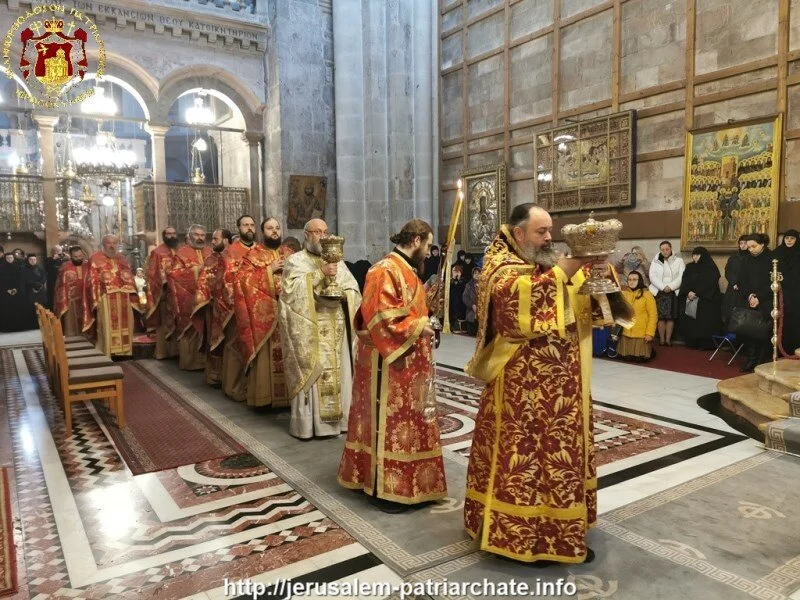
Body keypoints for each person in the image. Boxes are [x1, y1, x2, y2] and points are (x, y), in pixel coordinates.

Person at [463, 203, 632, 565]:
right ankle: (518, 535)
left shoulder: (545, 261)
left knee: (559, 457)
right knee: (525, 460)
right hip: (521, 392)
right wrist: (567, 269)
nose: (549, 237)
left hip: (563, 387)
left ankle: (559, 531)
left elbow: (585, 302)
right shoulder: (499, 263)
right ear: (518, 233)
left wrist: (598, 272)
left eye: (550, 230)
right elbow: (513, 307)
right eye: (541, 231)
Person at [337, 219, 446, 512]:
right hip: (386, 364)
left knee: (412, 422)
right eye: (428, 245)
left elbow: (410, 309)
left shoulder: (408, 270)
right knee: (387, 423)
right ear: (416, 240)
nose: (428, 252)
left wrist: (430, 308)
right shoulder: (384, 269)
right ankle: (383, 489)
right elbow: (381, 316)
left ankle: (414, 484)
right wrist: (419, 325)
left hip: (411, 363)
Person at [278, 218, 361, 439]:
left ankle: (340, 423)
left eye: (325, 232)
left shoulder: (337, 261)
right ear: (306, 235)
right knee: (314, 374)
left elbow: (353, 288)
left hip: (336, 328)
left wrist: (346, 295)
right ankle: (310, 426)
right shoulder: (295, 261)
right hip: (311, 330)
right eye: (317, 232)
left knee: (341, 375)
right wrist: (320, 273)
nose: (322, 237)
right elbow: (290, 294)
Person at [227, 216, 289, 407]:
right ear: (263, 232)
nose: (275, 231)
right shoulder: (253, 254)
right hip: (265, 315)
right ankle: (264, 397)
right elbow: (241, 281)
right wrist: (269, 270)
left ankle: (288, 399)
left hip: (287, 313)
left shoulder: (289, 253)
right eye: (270, 228)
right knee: (265, 357)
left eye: (277, 228)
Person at [83, 234, 142, 357]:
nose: (112, 246)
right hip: (106, 297)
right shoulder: (95, 259)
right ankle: (108, 351)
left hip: (124, 296)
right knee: (106, 325)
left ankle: (124, 351)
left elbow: (129, 276)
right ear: (103, 244)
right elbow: (91, 280)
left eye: (114, 243)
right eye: (109, 243)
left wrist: (132, 291)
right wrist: (95, 298)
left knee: (126, 324)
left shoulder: (122, 258)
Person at [168, 225, 212, 371]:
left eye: (202, 235)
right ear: (190, 236)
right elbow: (174, 274)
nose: (200, 238)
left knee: (206, 327)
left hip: (207, 297)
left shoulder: (209, 251)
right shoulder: (182, 253)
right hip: (188, 296)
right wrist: (197, 270)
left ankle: (204, 362)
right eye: (197, 235)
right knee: (190, 328)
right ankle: (189, 363)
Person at [192, 228, 231, 386]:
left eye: (216, 239)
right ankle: (214, 375)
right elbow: (202, 283)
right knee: (214, 341)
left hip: (232, 308)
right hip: (214, 306)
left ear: (226, 241)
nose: (212, 242)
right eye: (212, 239)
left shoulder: (236, 258)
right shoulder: (210, 260)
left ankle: (228, 377)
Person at [737, 233, 774, 372]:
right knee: (749, 332)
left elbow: (774, 282)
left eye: (754, 246)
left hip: (766, 302)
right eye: (749, 247)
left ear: (762, 244)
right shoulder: (746, 260)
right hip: (750, 300)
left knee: (763, 332)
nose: (751, 249)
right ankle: (751, 359)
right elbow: (741, 280)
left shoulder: (772, 258)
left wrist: (759, 298)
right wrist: (750, 296)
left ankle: (761, 362)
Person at [145, 226, 181, 359]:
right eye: (169, 234)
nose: (172, 236)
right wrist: (164, 285)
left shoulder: (180, 250)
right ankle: (163, 352)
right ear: (164, 236)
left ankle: (176, 351)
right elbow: (152, 273)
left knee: (179, 322)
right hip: (165, 293)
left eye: (174, 233)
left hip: (179, 293)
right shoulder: (157, 252)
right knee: (164, 323)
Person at [679, 247, 722, 349]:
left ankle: (706, 344)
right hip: (691, 298)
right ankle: (692, 342)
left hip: (706, 301)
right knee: (691, 322)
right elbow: (684, 280)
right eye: (693, 255)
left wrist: (697, 293)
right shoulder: (689, 266)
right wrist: (688, 292)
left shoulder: (711, 267)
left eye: (697, 255)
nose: (694, 257)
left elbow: (711, 283)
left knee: (705, 323)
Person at [649, 240, 684, 346]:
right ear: (660, 250)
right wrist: (663, 287)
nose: (665, 251)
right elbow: (652, 276)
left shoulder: (679, 261)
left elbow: (682, 276)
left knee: (670, 317)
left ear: (671, 248)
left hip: (673, 291)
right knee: (660, 317)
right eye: (662, 250)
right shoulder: (655, 261)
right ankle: (661, 340)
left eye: (667, 249)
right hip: (659, 291)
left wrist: (671, 286)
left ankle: (668, 340)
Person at [618, 271, 657, 361]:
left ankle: (651, 351)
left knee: (640, 360)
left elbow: (653, 315)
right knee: (626, 358)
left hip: (641, 334)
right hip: (626, 333)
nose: (631, 282)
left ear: (640, 281)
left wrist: (650, 333)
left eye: (634, 279)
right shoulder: (624, 293)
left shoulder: (647, 295)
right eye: (629, 280)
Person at [53, 246, 87, 337]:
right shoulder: (65, 267)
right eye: (75, 257)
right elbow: (60, 285)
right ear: (71, 256)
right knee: (72, 325)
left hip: (86, 300)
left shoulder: (87, 265)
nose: (78, 258)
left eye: (80, 256)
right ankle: (73, 339)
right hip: (71, 301)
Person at [776, 229, 799, 354]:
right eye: (787, 238)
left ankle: (795, 349)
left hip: (796, 293)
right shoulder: (777, 252)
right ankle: (781, 349)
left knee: (795, 319)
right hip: (780, 291)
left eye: (792, 238)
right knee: (781, 319)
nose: (789, 240)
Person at [723, 235, 749, 328]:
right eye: (741, 243)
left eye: (745, 243)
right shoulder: (733, 257)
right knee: (730, 313)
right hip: (732, 289)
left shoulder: (752, 257)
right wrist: (734, 283)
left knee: (744, 316)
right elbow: (728, 271)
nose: (743, 245)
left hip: (746, 289)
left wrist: (741, 284)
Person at [0, 252, 27, 332]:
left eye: (11, 258)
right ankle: (6, 328)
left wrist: (16, 289)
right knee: (6, 309)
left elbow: (21, 280)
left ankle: (18, 327)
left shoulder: (18, 267)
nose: (9, 259)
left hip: (17, 291)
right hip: (5, 292)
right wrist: (7, 290)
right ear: (5, 259)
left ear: (13, 258)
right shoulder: (1, 268)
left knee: (17, 309)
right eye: (8, 258)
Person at [22, 254, 48, 329]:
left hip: (41, 289)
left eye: (34, 259)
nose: (33, 261)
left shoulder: (40, 267)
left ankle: (43, 323)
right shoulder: (24, 269)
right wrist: (34, 286)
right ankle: (33, 325)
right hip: (30, 290)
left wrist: (40, 285)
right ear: (28, 260)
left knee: (42, 306)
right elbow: (25, 280)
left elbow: (44, 277)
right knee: (32, 307)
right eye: (31, 259)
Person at [45, 244, 68, 309]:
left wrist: (70, 258)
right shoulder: (49, 259)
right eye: (56, 251)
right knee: (52, 298)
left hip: (63, 282)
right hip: (53, 282)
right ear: (54, 251)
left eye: (59, 251)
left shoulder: (65, 260)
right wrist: (53, 259)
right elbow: (46, 269)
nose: (58, 252)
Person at [462, 266, 480, 336]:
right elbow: (465, 297)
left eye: (478, 273)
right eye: (475, 273)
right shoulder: (468, 285)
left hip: (481, 312)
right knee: (471, 333)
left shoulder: (484, 285)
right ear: (472, 275)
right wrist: (472, 305)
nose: (477, 275)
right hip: (471, 312)